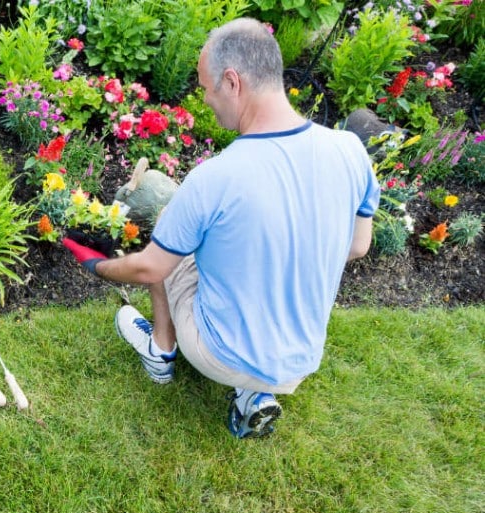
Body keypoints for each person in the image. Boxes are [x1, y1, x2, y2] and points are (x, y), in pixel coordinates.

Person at [63, 18, 379, 438]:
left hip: (221, 354)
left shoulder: (216, 177)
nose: (205, 99)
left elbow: (150, 269)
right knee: (239, 248)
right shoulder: (349, 151)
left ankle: (160, 351)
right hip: (300, 360)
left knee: (171, 236)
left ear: (232, 82)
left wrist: (97, 266)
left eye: (206, 87)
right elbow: (358, 245)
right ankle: (255, 394)